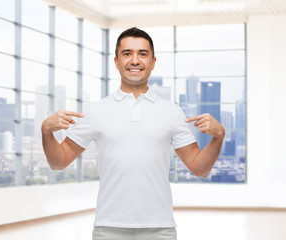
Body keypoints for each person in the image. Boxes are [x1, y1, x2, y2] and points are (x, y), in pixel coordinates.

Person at [41, 27, 225, 240]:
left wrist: (218, 137)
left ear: (153, 62)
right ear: (117, 62)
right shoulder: (96, 111)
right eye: (127, 53)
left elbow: (199, 168)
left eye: (142, 54)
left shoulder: (172, 112)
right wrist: (46, 131)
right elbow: (58, 162)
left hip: (160, 228)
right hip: (108, 227)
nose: (135, 60)